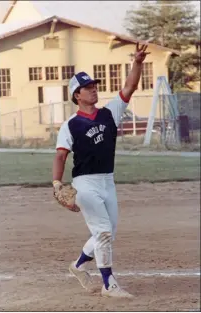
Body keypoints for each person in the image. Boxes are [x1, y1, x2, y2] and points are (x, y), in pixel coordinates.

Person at [52, 43, 149, 298]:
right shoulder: (70, 125)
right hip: (84, 184)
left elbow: (129, 87)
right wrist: (56, 183)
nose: (93, 89)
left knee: (107, 232)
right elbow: (61, 155)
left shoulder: (109, 114)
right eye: (88, 87)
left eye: (94, 86)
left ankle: (79, 264)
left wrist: (137, 63)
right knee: (103, 231)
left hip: (107, 181)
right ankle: (109, 284)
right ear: (77, 95)